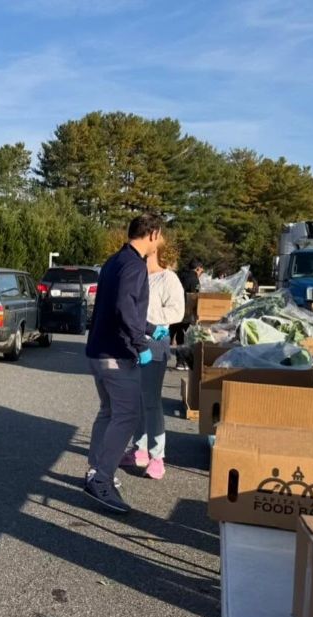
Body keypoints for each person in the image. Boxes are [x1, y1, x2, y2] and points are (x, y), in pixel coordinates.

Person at [83, 213, 167, 513]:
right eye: (163, 235)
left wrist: (148, 327)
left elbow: (120, 306)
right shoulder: (135, 265)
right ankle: (102, 480)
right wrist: (141, 344)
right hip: (117, 355)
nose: (163, 241)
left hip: (98, 351)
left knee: (108, 413)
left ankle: (95, 471)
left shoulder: (114, 261)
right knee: (128, 416)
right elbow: (123, 308)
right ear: (153, 234)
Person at [120, 245, 184, 479]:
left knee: (151, 401)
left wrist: (147, 322)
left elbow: (178, 312)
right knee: (135, 400)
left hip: (154, 346)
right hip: (130, 345)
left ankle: (158, 456)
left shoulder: (169, 278)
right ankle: (140, 450)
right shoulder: (136, 276)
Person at [172, 258, 203, 370]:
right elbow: (195, 296)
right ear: (198, 268)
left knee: (170, 335)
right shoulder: (194, 279)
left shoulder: (179, 275)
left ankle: (162, 357)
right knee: (183, 337)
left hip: (173, 309)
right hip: (185, 311)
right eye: (201, 271)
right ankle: (181, 362)